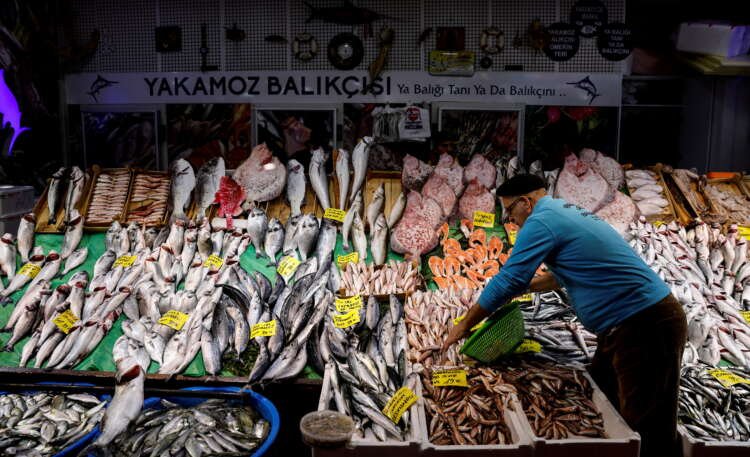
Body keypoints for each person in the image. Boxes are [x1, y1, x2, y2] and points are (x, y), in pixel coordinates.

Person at [441, 174, 687, 457]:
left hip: (645, 324)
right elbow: (560, 276)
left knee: (648, 423)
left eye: (510, 211)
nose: (510, 220)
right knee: (602, 398)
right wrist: (527, 287)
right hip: (630, 324)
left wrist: (464, 324)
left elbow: (509, 279)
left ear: (526, 202)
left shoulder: (540, 221)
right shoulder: (562, 211)